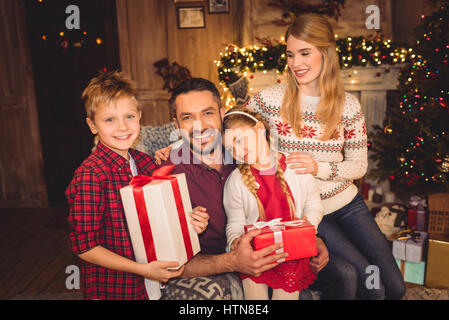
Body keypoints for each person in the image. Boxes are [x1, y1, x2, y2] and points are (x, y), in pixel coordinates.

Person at [245, 13, 405, 300]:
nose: (296, 63)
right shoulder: (270, 99)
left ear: (326, 53)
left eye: (305, 53)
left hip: (349, 204)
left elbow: (358, 166)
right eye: (291, 54)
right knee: (374, 289)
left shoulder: (348, 105)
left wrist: (318, 166)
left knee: (396, 287)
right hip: (311, 213)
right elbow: (235, 123)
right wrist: (186, 141)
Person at [156, 77, 330, 300]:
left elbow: (296, 199)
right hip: (219, 264)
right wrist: (233, 260)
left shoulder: (244, 151)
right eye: (187, 118)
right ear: (177, 125)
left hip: (282, 251)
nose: (199, 126)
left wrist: (311, 237)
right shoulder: (166, 172)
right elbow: (167, 261)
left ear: (221, 113)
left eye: (207, 113)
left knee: (344, 275)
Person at [65, 71, 209, 300]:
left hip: (151, 284)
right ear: (92, 125)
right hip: (115, 288)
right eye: (109, 119)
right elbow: (86, 248)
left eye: (129, 116)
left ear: (140, 116)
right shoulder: (91, 175)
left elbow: (161, 216)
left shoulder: (146, 162)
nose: (122, 127)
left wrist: (192, 221)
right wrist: (143, 270)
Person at [222, 106, 324, 300]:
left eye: (240, 140)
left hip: (291, 253)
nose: (237, 151)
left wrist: (307, 228)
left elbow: (314, 205)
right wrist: (235, 240)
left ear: (260, 128)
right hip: (255, 254)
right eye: (230, 148)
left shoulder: (295, 169)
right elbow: (234, 221)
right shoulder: (236, 181)